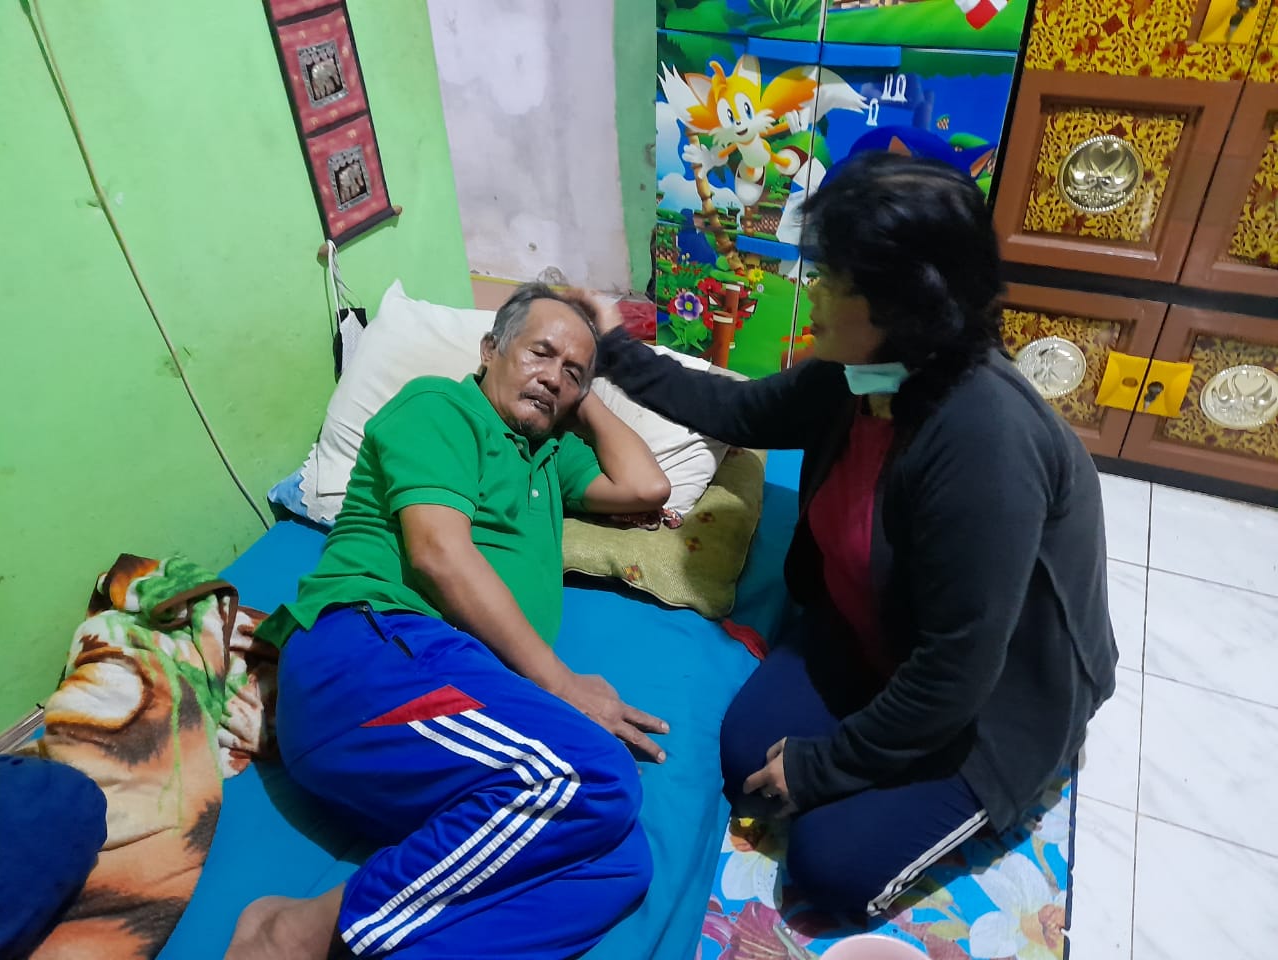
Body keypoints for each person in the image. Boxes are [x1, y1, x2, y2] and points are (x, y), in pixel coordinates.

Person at [591, 153, 1118, 918]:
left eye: (834, 279)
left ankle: (1000, 771)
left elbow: (957, 670)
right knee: (746, 765)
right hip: (876, 636)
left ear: (902, 307)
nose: (814, 291)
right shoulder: (870, 372)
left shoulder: (984, 442)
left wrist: (825, 768)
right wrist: (614, 351)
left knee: (828, 867)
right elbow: (740, 410)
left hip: (993, 700)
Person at [227, 284, 672, 959]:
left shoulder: (551, 457)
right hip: (372, 654)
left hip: (452, 711)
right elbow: (438, 552)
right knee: (593, 777)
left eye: (573, 371)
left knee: (619, 865)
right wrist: (560, 682)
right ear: (490, 350)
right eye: (540, 353)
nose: (554, 376)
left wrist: (578, 397)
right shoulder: (441, 406)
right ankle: (294, 932)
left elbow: (647, 487)